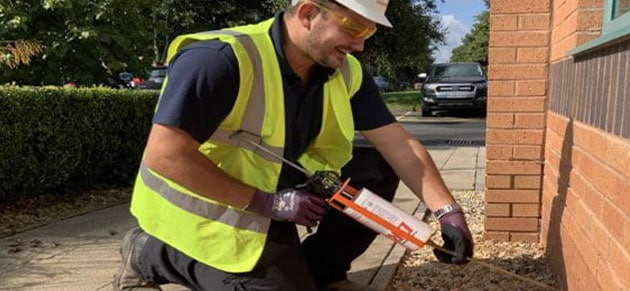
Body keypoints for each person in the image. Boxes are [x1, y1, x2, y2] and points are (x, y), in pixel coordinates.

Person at [113, 0, 473, 290]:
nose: (361, 44)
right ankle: (148, 253)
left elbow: (398, 143)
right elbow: (164, 156)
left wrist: (447, 211)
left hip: (278, 193)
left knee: (376, 168)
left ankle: (322, 273)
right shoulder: (220, 60)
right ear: (307, 13)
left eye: (370, 31)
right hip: (215, 208)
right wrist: (268, 203)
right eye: (354, 27)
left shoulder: (343, 69)